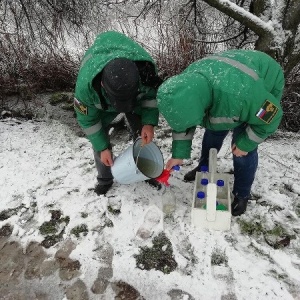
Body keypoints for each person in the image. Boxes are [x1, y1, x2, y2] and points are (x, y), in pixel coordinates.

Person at [157, 49, 285, 216]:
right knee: (214, 129)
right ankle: (204, 168)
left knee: (241, 148)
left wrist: (246, 143)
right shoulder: (185, 86)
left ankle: (242, 193)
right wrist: (178, 154)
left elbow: (272, 116)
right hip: (226, 85)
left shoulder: (245, 97)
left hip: (262, 81)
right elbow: (184, 121)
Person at [74, 31, 162, 195]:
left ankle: (145, 170)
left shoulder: (146, 72)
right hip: (103, 105)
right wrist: (102, 148)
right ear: (102, 85)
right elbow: (89, 122)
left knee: (141, 131)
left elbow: (151, 98)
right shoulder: (86, 88)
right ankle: (105, 179)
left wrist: (149, 123)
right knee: (100, 143)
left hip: (136, 99)